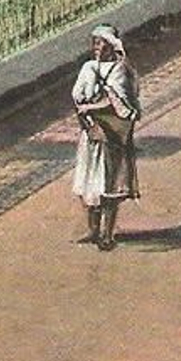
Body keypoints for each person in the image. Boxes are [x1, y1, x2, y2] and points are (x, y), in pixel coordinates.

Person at [71, 23, 140, 251]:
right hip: (92, 133)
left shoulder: (120, 70)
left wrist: (91, 108)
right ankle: (92, 230)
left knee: (109, 184)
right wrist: (86, 118)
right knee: (89, 181)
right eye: (95, 42)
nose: (98, 47)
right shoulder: (88, 68)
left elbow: (119, 103)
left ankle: (107, 234)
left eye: (102, 43)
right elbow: (77, 97)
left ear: (112, 45)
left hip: (111, 134)